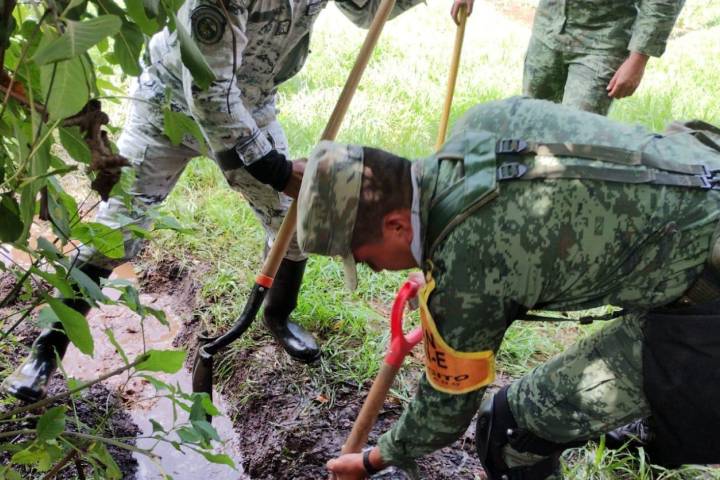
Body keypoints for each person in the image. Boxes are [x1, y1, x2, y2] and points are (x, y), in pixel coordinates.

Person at [2, 0, 424, 403]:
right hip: (169, 107)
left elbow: (367, 9)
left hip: (250, 109)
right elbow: (208, 89)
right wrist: (276, 170)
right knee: (117, 227)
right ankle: (47, 349)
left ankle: (277, 316)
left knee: (291, 221)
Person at [295, 96, 720, 478]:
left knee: (508, 431)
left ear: (396, 225)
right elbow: (522, 221)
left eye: (365, 259)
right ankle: (652, 410)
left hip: (707, 300)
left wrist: (373, 459)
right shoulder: (482, 123)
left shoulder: (467, 271)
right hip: (703, 175)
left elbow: (444, 412)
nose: (373, 270)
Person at [519, 0, 685, 115]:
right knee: (531, 121)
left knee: (577, 138)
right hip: (547, 31)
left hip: (603, 41)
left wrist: (638, 59)